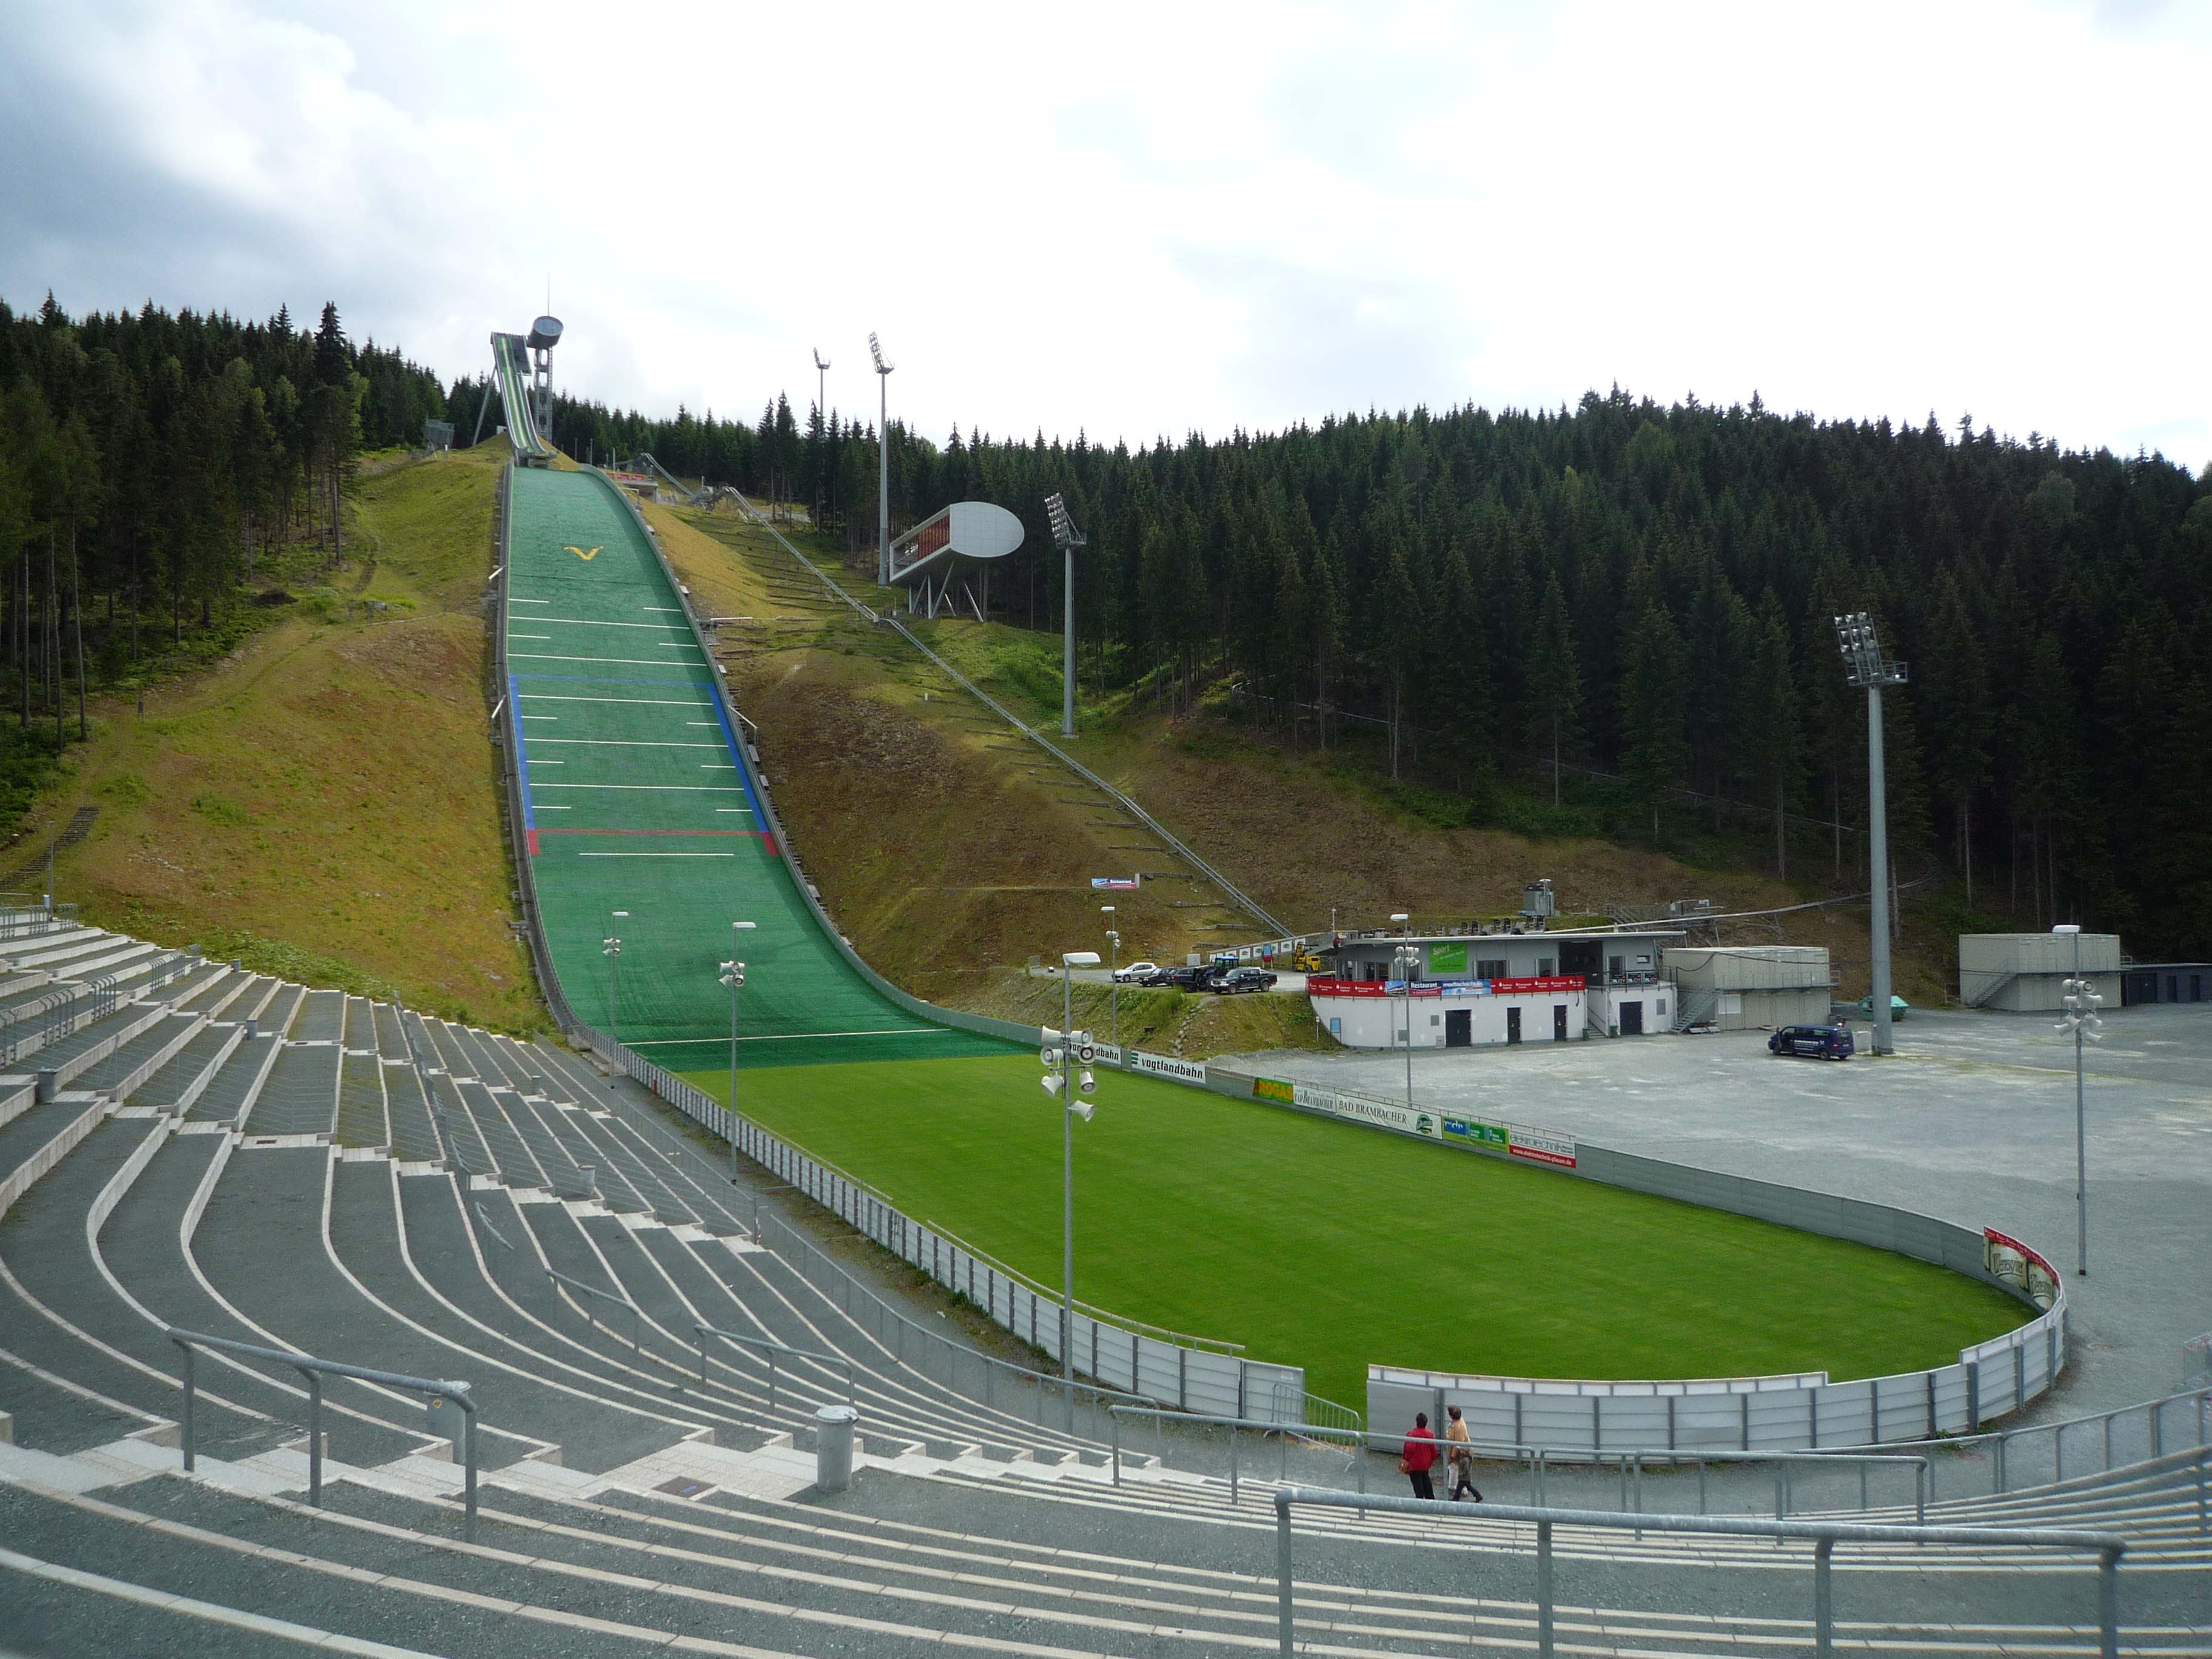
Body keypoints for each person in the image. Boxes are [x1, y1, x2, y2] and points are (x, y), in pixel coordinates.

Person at [1444, 1404, 1482, 1501]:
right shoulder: (1459, 1423)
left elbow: (1458, 1444)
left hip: (1462, 1456)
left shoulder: (1458, 1427)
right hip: (1463, 1455)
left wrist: (1452, 1456)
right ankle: (1460, 1493)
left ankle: (1458, 1493)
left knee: (1460, 1477)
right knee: (1463, 1479)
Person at [1401, 1411, 1438, 1500]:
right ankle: (1430, 1499)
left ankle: (1420, 1500)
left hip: (1415, 1464)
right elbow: (1433, 1449)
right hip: (1426, 1464)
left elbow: (1409, 1450)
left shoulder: (1412, 1434)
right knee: (1426, 1480)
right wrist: (1433, 1459)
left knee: (1418, 1484)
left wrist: (1406, 1460)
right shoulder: (1430, 1434)